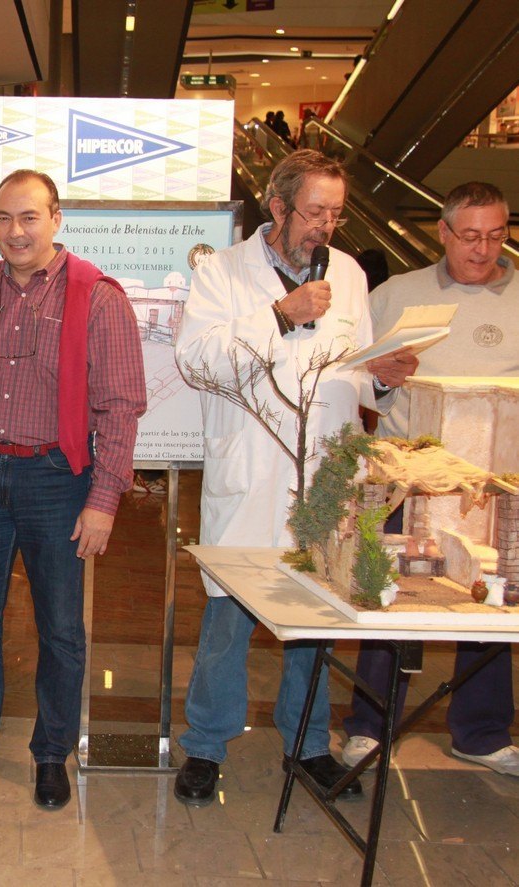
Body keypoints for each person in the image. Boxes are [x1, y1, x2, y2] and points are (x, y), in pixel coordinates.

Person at [172, 149, 415, 808]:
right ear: (277, 208)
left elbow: (355, 371)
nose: (325, 227)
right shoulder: (223, 272)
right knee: (228, 622)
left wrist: (383, 379)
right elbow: (197, 362)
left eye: (335, 214)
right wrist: (282, 314)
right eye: (314, 212)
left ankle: (307, 744)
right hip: (253, 473)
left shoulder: (350, 274)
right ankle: (206, 746)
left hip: (326, 478)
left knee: (315, 619)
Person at [0, 169, 146, 810]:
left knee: (61, 629)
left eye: (29, 217)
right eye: (3, 218)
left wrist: (103, 501)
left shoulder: (98, 298)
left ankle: (51, 754)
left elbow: (121, 407)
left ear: (56, 219)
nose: (15, 231)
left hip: (58, 483)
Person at [342, 181, 519, 776]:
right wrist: (381, 378)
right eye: (469, 236)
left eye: (495, 235)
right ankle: (369, 727)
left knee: (492, 602)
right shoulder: (396, 295)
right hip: (408, 482)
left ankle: (482, 734)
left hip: (495, 486)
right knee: (391, 600)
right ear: (442, 232)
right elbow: (356, 379)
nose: (483, 249)